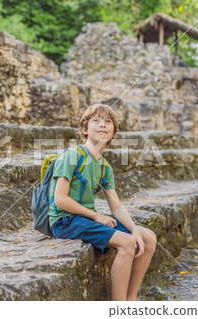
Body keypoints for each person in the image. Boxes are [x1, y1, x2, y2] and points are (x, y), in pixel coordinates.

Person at [48, 103, 157, 301]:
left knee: (148, 238)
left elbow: (116, 207)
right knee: (126, 243)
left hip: (85, 220)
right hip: (65, 221)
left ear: (114, 132)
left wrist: (134, 228)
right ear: (84, 129)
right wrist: (97, 216)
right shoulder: (73, 155)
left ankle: (131, 300)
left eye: (108, 122)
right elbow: (60, 199)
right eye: (96, 121)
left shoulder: (105, 167)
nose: (102, 125)